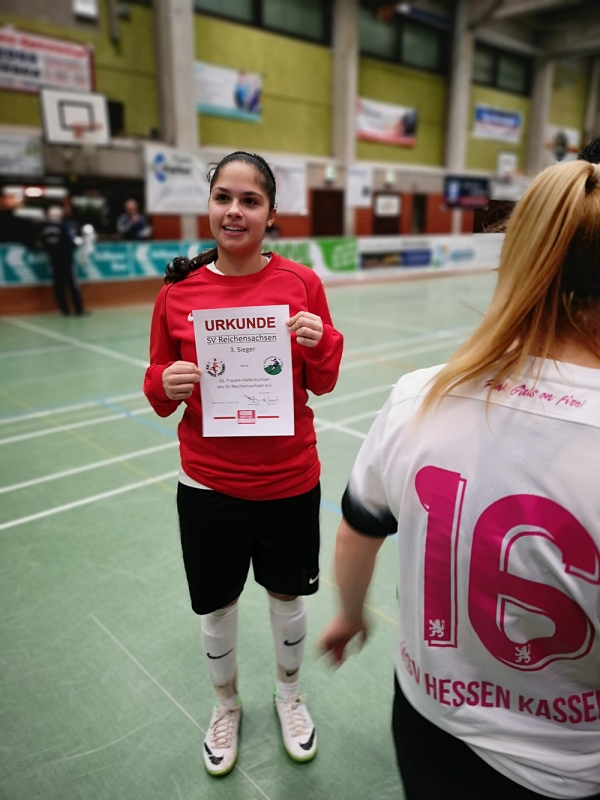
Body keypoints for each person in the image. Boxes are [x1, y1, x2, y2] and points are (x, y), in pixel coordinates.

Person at [320, 156, 600, 799]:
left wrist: (350, 615)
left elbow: (357, 531)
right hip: (561, 769)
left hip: (425, 722)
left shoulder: (418, 396)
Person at [143, 151, 343, 776]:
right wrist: (164, 382)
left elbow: (325, 380)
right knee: (217, 604)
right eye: (223, 197)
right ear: (208, 206)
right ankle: (225, 704)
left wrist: (321, 342)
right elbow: (157, 387)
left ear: (271, 213)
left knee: (287, 593)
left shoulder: (301, 284)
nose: (235, 211)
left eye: (250, 200)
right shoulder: (177, 293)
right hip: (209, 484)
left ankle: (289, 695)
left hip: (289, 480)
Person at [40, 205, 85, 316]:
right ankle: (78, 308)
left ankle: (64, 309)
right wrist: (77, 243)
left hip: (54, 261)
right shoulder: (62, 227)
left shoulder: (45, 228)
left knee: (58, 285)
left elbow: (43, 243)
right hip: (66, 260)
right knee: (72, 284)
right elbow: (70, 241)